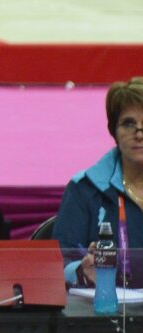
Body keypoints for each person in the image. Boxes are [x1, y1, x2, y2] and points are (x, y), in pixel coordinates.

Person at [56, 78, 143, 298]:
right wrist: (81, 271)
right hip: (106, 312)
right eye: (128, 123)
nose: (139, 134)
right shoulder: (84, 189)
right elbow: (58, 262)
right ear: (114, 131)